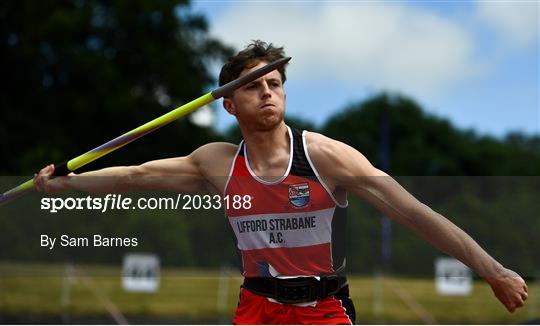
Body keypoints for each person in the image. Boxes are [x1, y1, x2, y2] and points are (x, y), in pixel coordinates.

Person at [34, 40, 528, 324]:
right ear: (229, 105)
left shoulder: (327, 157)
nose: (268, 94)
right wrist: (67, 181)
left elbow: (419, 215)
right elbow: (137, 177)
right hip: (256, 308)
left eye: (275, 84)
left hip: (325, 310)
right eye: (253, 87)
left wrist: (493, 270)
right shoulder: (217, 162)